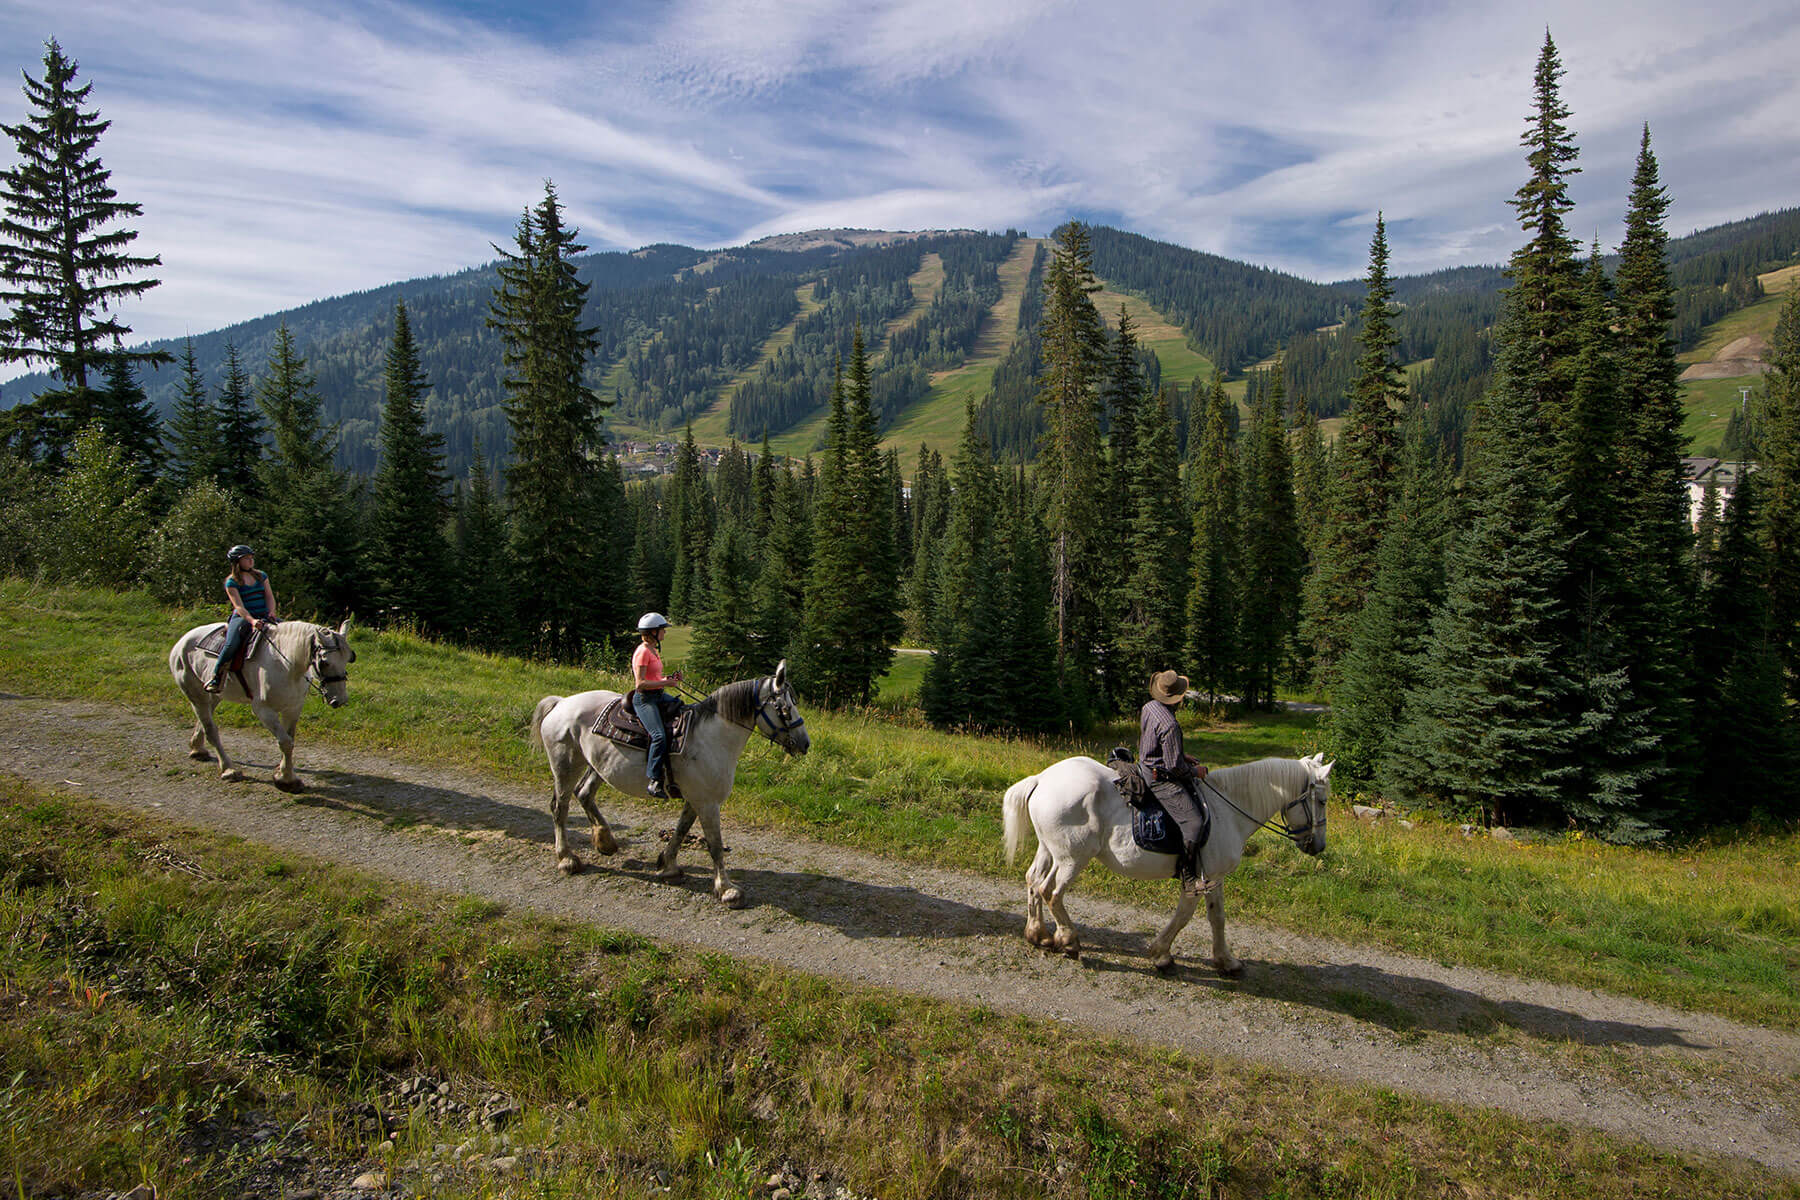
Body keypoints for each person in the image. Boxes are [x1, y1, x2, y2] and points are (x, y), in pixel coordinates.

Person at [1138, 668, 1209, 894]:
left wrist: (1180, 753)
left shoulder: (1149, 707)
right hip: (1159, 779)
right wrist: (1195, 771)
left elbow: (1153, 740)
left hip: (1145, 764)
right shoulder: (1170, 724)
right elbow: (1174, 768)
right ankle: (1189, 877)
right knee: (1195, 823)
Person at [206, 544, 280, 692]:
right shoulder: (231, 582)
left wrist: (271, 612)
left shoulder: (261, 576)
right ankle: (216, 676)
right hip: (243, 617)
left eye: (252, 558)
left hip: (264, 615)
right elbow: (238, 606)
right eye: (247, 559)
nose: (251, 561)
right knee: (231, 644)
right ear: (237, 562)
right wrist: (252, 621)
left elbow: (269, 596)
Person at [632, 612, 684, 799]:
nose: (665, 633)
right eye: (662, 629)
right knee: (658, 735)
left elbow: (654, 678)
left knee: (684, 708)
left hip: (659, 695)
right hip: (645, 699)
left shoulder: (654, 650)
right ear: (653, 632)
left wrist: (668, 679)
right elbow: (640, 684)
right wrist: (666, 683)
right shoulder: (643, 652)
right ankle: (654, 779)